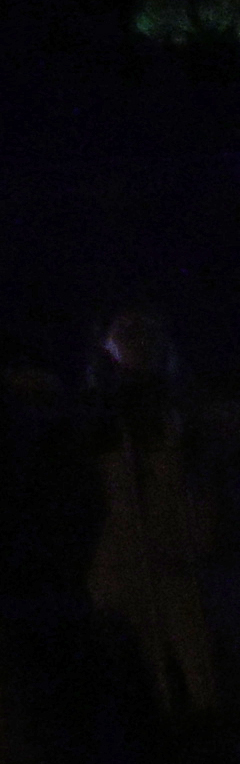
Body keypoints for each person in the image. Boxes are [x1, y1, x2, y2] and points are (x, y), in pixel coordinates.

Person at [90, 308, 228, 731]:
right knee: (141, 681)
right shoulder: (99, 426)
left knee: (203, 678)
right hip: (127, 571)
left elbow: (206, 492)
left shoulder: (192, 421)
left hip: (182, 568)